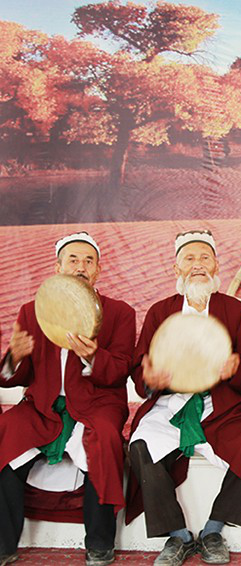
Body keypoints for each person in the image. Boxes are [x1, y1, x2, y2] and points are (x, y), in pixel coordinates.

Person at [126, 230, 241, 566]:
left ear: (216, 265)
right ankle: (178, 536)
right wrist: (150, 378)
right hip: (171, 404)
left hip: (221, 405)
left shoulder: (233, 310)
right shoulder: (160, 312)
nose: (198, 265)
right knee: (141, 446)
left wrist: (235, 367)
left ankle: (213, 530)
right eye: (189, 258)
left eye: (205, 258)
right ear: (176, 268)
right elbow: (140, 370)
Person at [0, 232, 136, 566]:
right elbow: (18, 375)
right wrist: (14, 358)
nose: (80, 267)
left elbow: (121, 370)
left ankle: (100, 544)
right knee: (7, 429)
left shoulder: (119, 313)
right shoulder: (32, 311)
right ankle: (3, 544)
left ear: (98, 270)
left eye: (89, 261)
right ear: (58, 267)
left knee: (105, 438)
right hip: (42, 406)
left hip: (97, 404)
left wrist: (93, 357)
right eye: (73, 260)